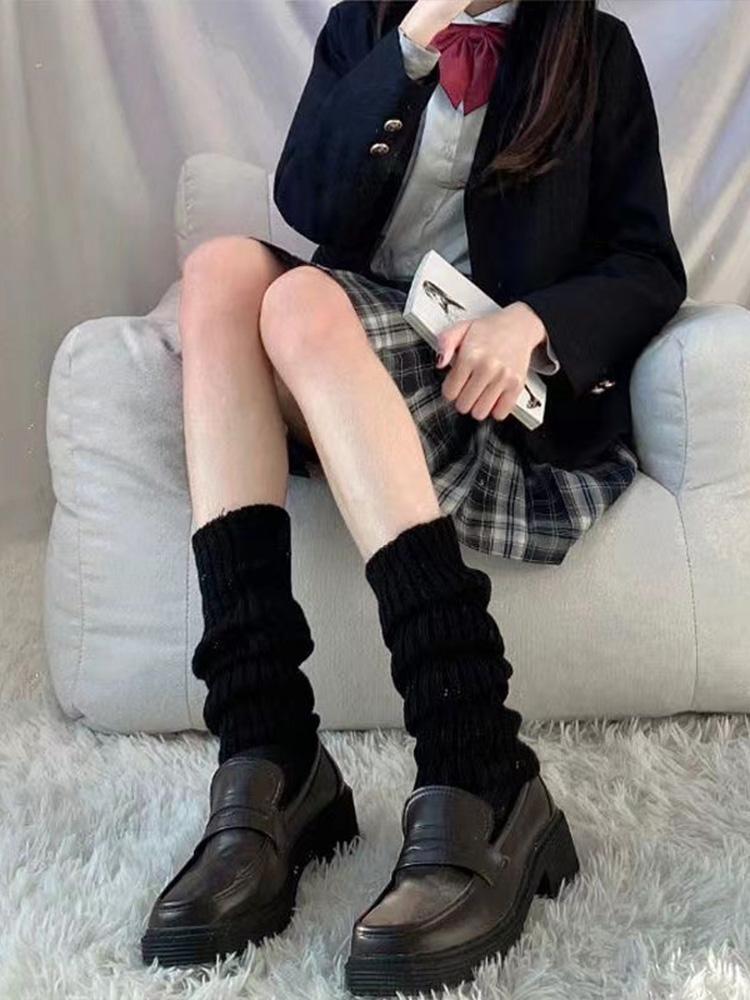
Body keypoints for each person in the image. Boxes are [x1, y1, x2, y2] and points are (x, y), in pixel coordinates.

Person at [140, 0, 686, 995]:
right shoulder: (368, 27)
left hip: (491, 400)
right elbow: (308, 198)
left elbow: (649, 266)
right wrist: (412, 42)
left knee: (296, 300)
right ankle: (266, 746)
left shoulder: (594, 48)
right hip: (345, 364)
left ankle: (474, 753)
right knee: (221, 269)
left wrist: (533, 322)